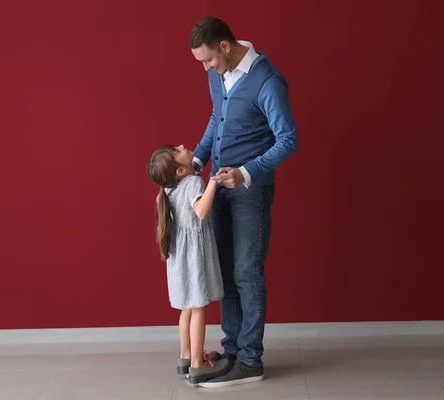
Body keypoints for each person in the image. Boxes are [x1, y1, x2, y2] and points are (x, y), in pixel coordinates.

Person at [189, 16, 299, 388]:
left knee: (247, 273)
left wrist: (246, 173)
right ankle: (233, 351)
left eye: (208, 61)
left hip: (251, 191)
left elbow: (288, 140)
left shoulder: (267, 80)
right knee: (225, 272)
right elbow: (216, 118)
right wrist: (197, 161)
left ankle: (251, 360)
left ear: (224, 45)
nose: (205, 68)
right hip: (218, 189)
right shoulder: (216, 73)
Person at [147, 144, 232, 384]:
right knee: (198, 308)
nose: (183, 146)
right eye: (177, 151)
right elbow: (202, 211)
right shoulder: (194, 183)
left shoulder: (168, 188)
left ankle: (186, 357)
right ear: (181, 171)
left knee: (187, 307)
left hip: (179, 258)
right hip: (193, 258)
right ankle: (198, 364)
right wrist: (213, 182)